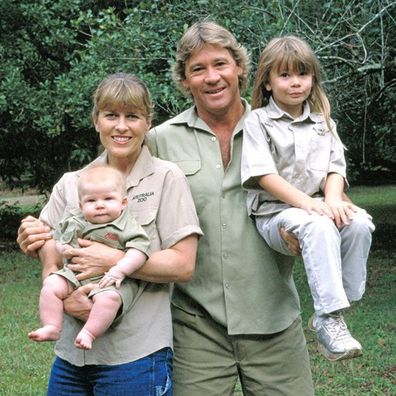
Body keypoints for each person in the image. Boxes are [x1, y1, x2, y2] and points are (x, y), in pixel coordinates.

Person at [146, 22, 314, 395]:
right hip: (195, 329)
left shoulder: (282, 129)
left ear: (239, 67)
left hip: (274, 322)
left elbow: (329, 184)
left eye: (220, 64)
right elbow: (105, 183)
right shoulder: (161, 140)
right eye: (198, 69)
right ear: (184, 80)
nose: (212, 77)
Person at [18, 72, 202, 395]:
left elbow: (183, 265)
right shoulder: (72, 183)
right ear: (96, 121)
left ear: (148, 122)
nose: (121, 126)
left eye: (132, 116)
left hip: (135, 355)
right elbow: (48, 243)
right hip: (71, 357)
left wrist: (113, 259)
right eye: (111, 116)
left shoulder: (166, 178)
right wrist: (59, 287)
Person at [241, 35, 375, 362]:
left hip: (316, 206)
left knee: (358, 223)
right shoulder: (258, 121)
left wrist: (333, 199)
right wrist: (308, 203)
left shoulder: (322, 123)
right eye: (285, 76)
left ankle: (338, 306)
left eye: (302, 74)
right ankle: (328, 318)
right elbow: (264, 175)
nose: (295, 83)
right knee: (319, 226)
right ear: (269, 83)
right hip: (276, 215)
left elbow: (335, 168)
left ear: (312, 78)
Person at [29, 165, 151, 351]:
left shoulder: (127, 225)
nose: (100, 205)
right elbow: (59, 241)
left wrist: (119, 269)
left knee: (109, 299)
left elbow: (139, 251)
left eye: (108, 199)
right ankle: (52, 326)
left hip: (109, 280)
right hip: (74, 274)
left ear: (123, 202)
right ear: (81, 205)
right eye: (91, 200)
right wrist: (63, 248)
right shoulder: (75, 221)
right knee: (51, 285)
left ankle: (89, 333)